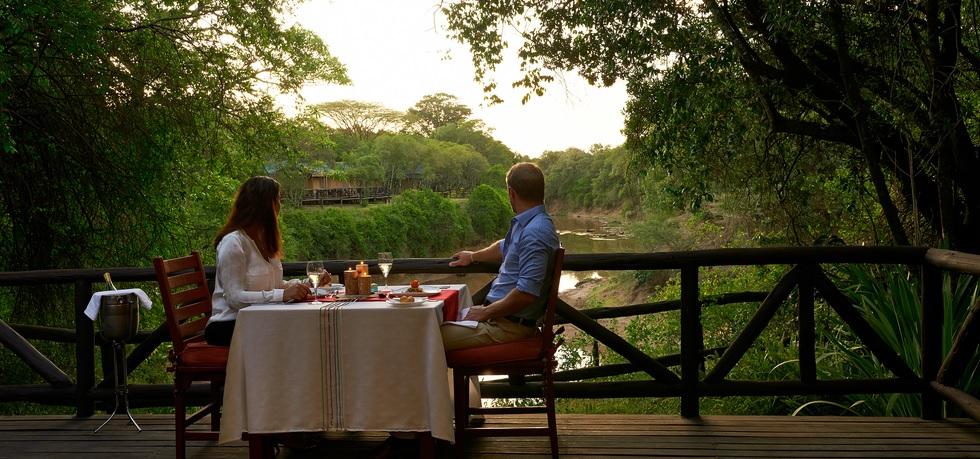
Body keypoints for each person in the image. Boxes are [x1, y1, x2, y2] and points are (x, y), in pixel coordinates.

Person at [443, 161, 561, 349]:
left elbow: (526, 293)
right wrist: (473, 257)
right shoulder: (530, 224)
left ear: (511, 193)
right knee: (435, 324)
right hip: (498, 319)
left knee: (427, 335)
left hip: (507, 327)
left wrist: (485, 312)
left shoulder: (535, 232)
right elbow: (504, 247)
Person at [204, 176, 312, 346]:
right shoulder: (233, 243)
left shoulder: (265, 241)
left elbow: (274, 286)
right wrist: (282, 295)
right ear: (264, 205)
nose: (280, 206)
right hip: (229, 324)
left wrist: (305, 285)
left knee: (305, 325)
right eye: (277, 200)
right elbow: (234, 298)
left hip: (260, 319)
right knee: (297, 330)